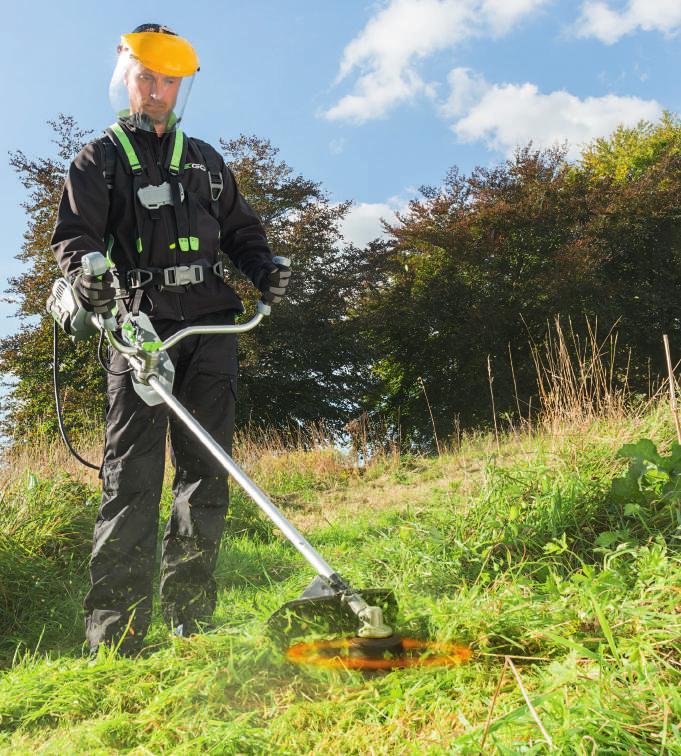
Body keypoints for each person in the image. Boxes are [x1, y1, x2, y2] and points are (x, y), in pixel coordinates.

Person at [50, 24, 291, 656]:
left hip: (211, 324)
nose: (157, 91)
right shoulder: (99, 159)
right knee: (133, 477)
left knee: (205, 472)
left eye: (168, 82)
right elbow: (74, 236)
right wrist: (89, 276)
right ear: (126, 80)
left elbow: (242, 231)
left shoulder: (207, 162)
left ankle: (191, 621)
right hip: (140, 328)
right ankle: (118, 637)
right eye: (147, 78)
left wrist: (266, 271)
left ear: (181, 88)